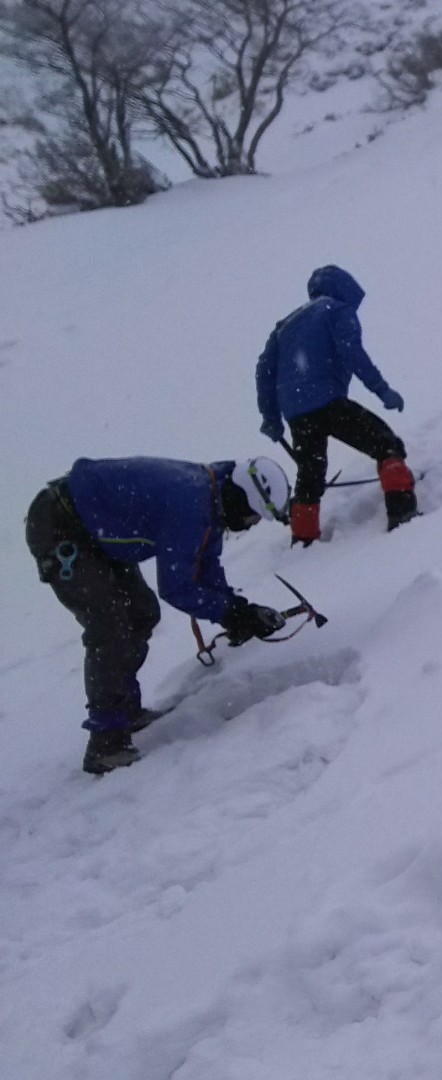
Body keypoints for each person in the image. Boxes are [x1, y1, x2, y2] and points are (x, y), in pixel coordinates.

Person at [24, 456, 294, 775]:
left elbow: (204, 567)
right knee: (110, 625)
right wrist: (233, 614)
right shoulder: (190, 505)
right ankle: (106, 741)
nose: (252, 524)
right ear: (242, 499)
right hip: (61, 527)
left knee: (142, 612)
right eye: (254, 516)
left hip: (95, 529)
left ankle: (124, 709)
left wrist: (240, 610)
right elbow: (177, 587)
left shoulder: (210, 496)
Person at [257, 264, 417, 544]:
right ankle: (402, 514)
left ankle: (303, 540)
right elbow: (352, 352)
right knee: (386, 444)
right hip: (329, 402)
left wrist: (271, 417)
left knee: (310, 476)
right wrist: (382, 390)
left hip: (297, 415)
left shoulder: (283, 327)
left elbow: (264, 372)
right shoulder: (337, 310)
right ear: (345, 288)